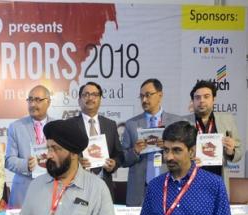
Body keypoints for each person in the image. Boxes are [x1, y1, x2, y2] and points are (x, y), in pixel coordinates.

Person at [121, 78, 182, 206]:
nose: (144, 100)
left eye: (148, 95)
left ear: (160, 95)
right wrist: (135, 151)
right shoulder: (131, 124)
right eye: (141, 96)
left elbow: (184, 155)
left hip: (170, 186)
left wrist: (168, 148)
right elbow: (123, 160)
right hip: (140, 191)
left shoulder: (176, 122)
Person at [186, 79, 242, 192]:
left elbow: (238, 153)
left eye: (206, 96)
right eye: (197, 97)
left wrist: (231, 152)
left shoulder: (227, 120)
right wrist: (187, 157)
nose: (202, 100)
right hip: (191, 183)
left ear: (213, 99)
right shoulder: (183, 123)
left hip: (218, 182)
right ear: (193, 101)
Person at [71, 82, 123, 199]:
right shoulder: (70, 125)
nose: (90, 98)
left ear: (100, 99)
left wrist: (114, 164)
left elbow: (119, 154)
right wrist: (76, 163)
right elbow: (64, 155)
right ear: (79, 100)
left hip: (104, 185)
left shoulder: (110, 124)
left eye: (94, 94)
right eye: (86, 95)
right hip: (77, 185)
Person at [5, 85, 53, 207]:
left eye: (37, 100)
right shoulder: (16, 127)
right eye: (30, 100)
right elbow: (9, 160)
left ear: (48, 102)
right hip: (23, 192)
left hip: (52, 189)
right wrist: (26, 164)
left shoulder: (58, 126)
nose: (32, 104)